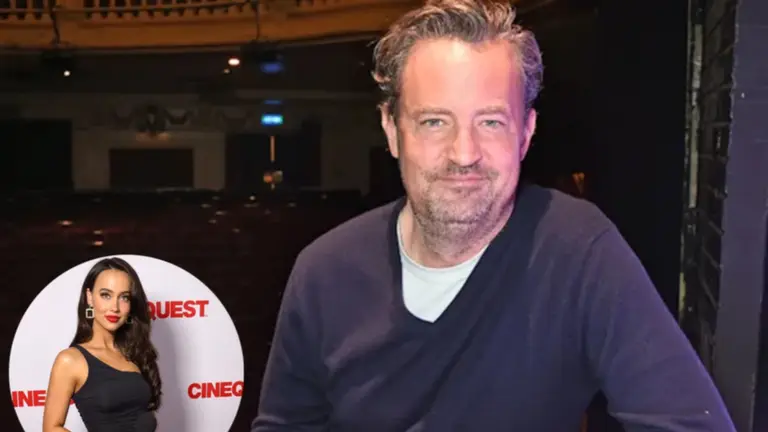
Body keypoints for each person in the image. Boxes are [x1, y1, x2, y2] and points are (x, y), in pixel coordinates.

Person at [251, 0, 736, 430]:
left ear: (526, 133)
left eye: (490, 122)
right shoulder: (323, 272)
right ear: (392, 130)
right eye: (434, 122)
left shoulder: (578, 251)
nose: (464, 153)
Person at [42, 257, 161, 432]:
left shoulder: (135, 352)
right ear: (90, 297)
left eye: (124, 297)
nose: (115, 307)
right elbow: (51, 428)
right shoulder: (70, 360)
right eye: (106, 295)